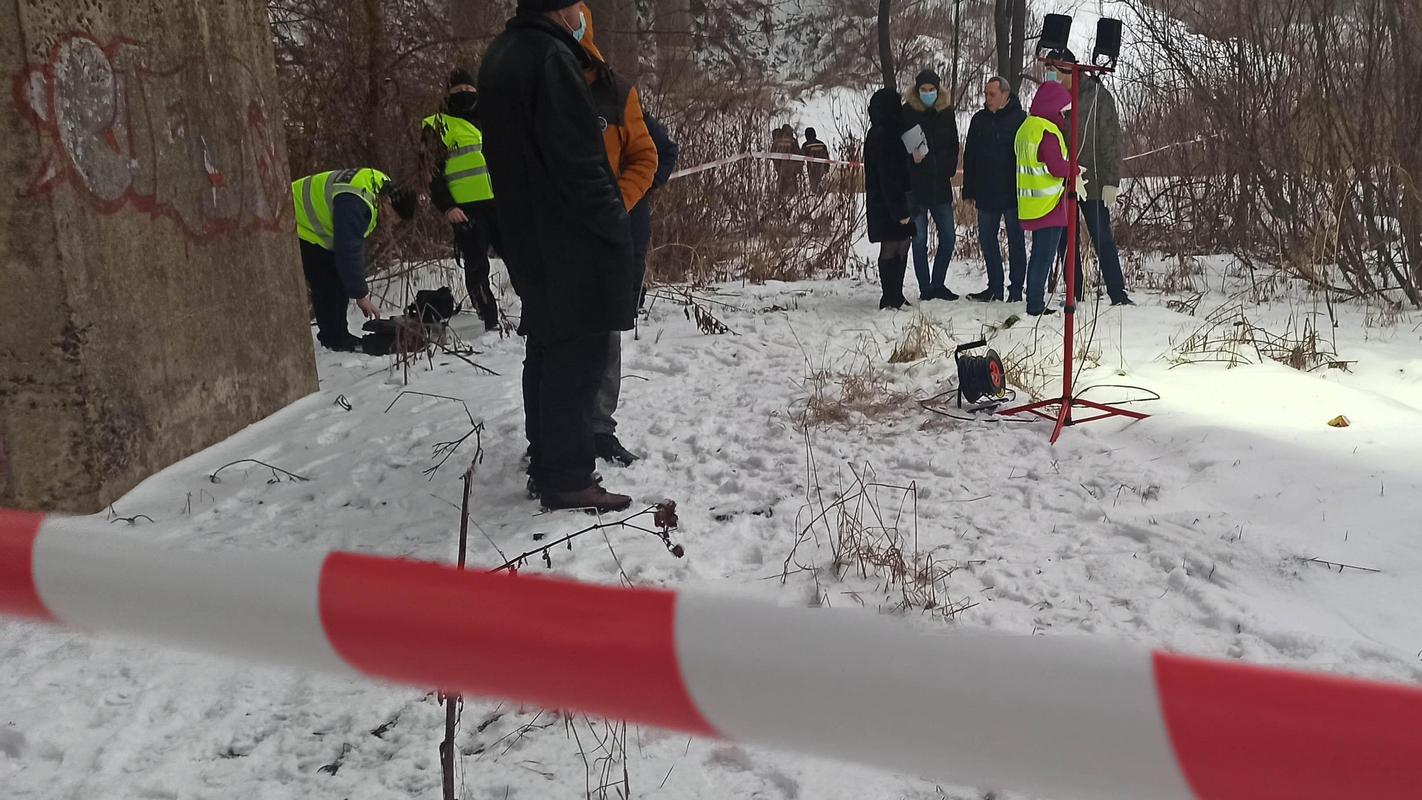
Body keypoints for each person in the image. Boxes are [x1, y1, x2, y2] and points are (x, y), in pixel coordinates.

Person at [478, 0, 638, 513]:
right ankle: (568, 476)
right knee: (579, 354)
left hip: (529, 234)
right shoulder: (550, 58)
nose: (581, 11)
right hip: (569, 237)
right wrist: (614, 227)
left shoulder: (502, 54)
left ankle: (547, 462)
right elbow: (579, 161)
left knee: (547, 349)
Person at [576, 1, 660, 467]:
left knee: (607, 336)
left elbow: (648, 157)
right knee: (553, 344)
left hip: (607, 235)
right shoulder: (534, 86)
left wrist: (617, 206)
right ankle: (553, 436)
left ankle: (599, 429)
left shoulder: (615, 92)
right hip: (554, 239)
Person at [293, 168, 418, 351]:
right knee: (326, 281)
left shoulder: (378, 184)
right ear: (388, 202)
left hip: (312, 225)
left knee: (337, 277)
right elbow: (348, 251)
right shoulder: (356, 203)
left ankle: (337, 335)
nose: (390, 223)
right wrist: (360, 296)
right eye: (393, 217)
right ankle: (334, 338)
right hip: (296, 221)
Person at [422, 68, 502, 331]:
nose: (465, 95)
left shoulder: (491, 118)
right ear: (447, 94)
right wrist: (447, 207)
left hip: (500, 203)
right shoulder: (436, 124)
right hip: (466, 209)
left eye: (469, 90)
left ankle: (533, 317)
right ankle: (490, 320)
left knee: (520, 258)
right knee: (477, 266)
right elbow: (430, 172)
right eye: (458, 91)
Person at [1058, 56, 1134, 306]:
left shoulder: (1098, 97)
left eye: (1060, 73)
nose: (1056, 79)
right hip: (1062, 181)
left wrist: (1111, 180)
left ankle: (1117, 292)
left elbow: (1110, 139)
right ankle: (1074, 292)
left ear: (1072, 71)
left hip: (1092, 180)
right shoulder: (1055, 98)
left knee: (1101, 236)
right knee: (1065, 241)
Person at [962, 76, 1028, 302]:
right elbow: (969, 156)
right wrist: (969, 190)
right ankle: (995, 286)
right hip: (986, 190)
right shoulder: (979, 120)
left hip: (1012, 192)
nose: (987, 99)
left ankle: (1017, 289)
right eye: (986, 94)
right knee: (987, 239)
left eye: (992, 94)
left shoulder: (1020, 119)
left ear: (1005, 95)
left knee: (1016, 241)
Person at [1016, 81, 1075, 317]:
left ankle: (1034, 301)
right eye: (1062, 109)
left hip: (1030, 203)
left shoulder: (1027, 128)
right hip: (1048, 205)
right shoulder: (1047, 131)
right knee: (1044, 257)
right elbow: (1056, 167)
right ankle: (1035, 305)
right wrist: (1074, 169)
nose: (1063, 114)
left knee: (1037, 256)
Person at [901, 69, 960, 301]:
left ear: (938, 90)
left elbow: (953, 146)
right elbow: (898, 147)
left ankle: (938, 283)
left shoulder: (946, 112)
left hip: (940, 187)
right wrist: (911, 159)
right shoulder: (906, 113)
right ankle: (925, 288)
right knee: (919, 240)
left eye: (931, 90)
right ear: (917, 91)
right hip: (915, 188)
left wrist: (945, 168)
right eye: (923, 90)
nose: (928, 93)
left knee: (948, 237)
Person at [865, 88, 914, 310]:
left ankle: (896, 294)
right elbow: (890, 175)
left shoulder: (880, 132)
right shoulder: (886, 136)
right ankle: (890, 296)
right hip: (889, 203)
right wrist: (901, 210)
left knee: (900, 245)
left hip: (884, 201)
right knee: (892, 247)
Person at [771, 124, 802, 195]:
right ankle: (793, 197)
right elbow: (798, 154)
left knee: (781, 183)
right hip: (791, 167)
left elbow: (772, 154)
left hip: (780, 167)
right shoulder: (793, 141)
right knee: (792, 183)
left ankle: (780, 196)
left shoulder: (777, 141)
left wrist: (777, 164)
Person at [802, 127, 831, 191]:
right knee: (822, 185)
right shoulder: (822, 144)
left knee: (814, 187)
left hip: (812, 169)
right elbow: (827, 157)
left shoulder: (805, 145)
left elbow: (801, 158)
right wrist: (827, 168)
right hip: (823, 168)